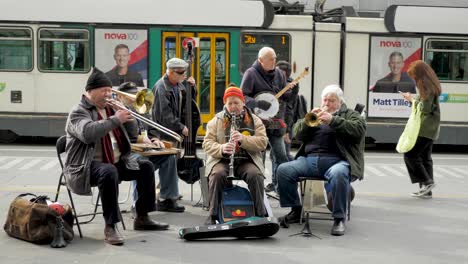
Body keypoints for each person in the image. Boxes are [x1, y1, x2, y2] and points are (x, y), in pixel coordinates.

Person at [63, 68, 168, 246]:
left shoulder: (111, 109)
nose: (108, 94)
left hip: (115, 161)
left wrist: (128, 116)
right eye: (104, 90)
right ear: (90, 91)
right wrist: (115, 120)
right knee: (109, 171)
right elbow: (88, 133)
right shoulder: (78, 111)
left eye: (110, 90)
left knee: (146, 167)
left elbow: (133, 137)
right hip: (85, 165)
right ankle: (110, 226)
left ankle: (142, 217)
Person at [276, 84, 366, 236]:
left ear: (340, 102)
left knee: (339, 174)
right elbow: (297, 134)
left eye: (331, 100)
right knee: (283, 170)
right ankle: (296, 210)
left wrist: (333, 120)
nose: (327, 104)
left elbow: (359, 130)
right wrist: (307, 121)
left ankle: (339, 219)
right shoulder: (315, 115)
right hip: (309, 160)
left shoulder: (350, 114)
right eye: (325, 100)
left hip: (337, 160)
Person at [202, 86, 268, 225]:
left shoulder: (255, 120)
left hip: (246, 160)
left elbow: (262, 143)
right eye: (229, 103)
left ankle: (261, 214)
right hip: (222, 160)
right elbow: (207, 143)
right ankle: (212, 215)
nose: (233, 107)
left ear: (243, 102)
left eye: (236, 103)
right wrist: (222, 148)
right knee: (217, 174)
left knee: (255, 175)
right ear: (225, 104)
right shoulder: (216, 120)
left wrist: (243, 140)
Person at [116, 82, 184, 213]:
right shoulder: (117, 112)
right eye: (129, 94)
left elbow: (152, 127)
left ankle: (167, 199)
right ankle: (138, 205)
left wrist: (154, 139)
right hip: (127, 153)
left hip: (144, 150)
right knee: (141, 163)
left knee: (169, 157)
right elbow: (122, 135)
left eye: (135, 94)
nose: (133, 97)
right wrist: (141, 139)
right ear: (120, 97)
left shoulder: (140, 109)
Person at [241, 47, 298, 193]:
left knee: (281, 156)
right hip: (257, 123)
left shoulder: (279, 73)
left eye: (274, 58)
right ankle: (257, 188)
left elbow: (287, 97)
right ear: (260, 60)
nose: (274, 61)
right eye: (270, 59)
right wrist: (258, 103)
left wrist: (294, 91)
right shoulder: (251, 74)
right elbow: (243, 97)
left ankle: (282, 188)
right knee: (259, 156)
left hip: (276, 123)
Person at [400, 60, 441, 199]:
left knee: (410, 155)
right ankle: (426, 190)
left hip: (424, 128)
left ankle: (428, 183)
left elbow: (425, 108)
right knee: (425, 158)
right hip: (432, 128)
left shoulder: (425, 86)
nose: (414, 80)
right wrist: (413, 97)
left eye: (414, 77)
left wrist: (411, 100)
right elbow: (426, 103)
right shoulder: (432, 84)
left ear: (420, 75)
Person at [150, 58, 196, 143]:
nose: (184, 75)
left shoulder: (178, 84)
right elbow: (165, 115)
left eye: (185, 72)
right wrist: (180, 127)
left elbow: (188, 103)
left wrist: (192, 88)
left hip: (172, 134)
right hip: (163, 136)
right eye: (181, 72)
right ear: (171, 72)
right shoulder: (161, 88)